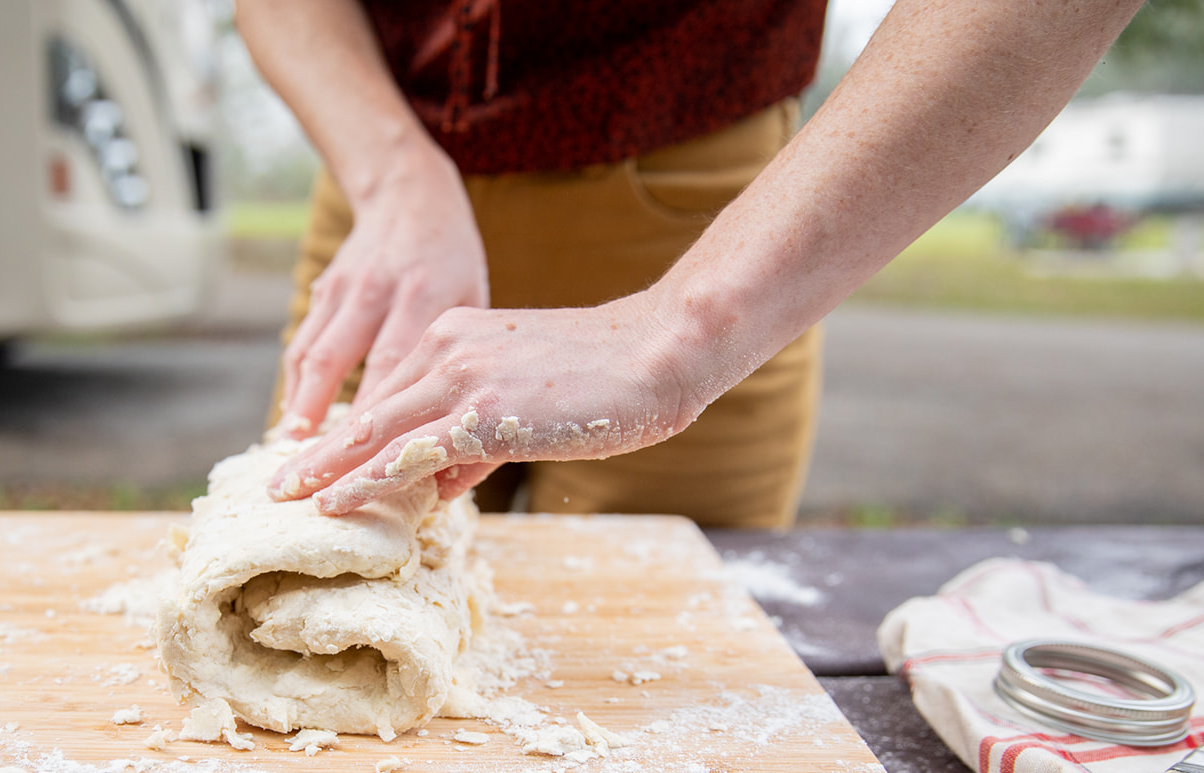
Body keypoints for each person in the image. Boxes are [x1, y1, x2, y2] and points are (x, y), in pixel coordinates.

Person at [239, 0, 1144, 521]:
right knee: (319, 548)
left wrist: (678, 334)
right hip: (383, 200)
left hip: (707, 225)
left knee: (648, 672)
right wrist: (391, 172)